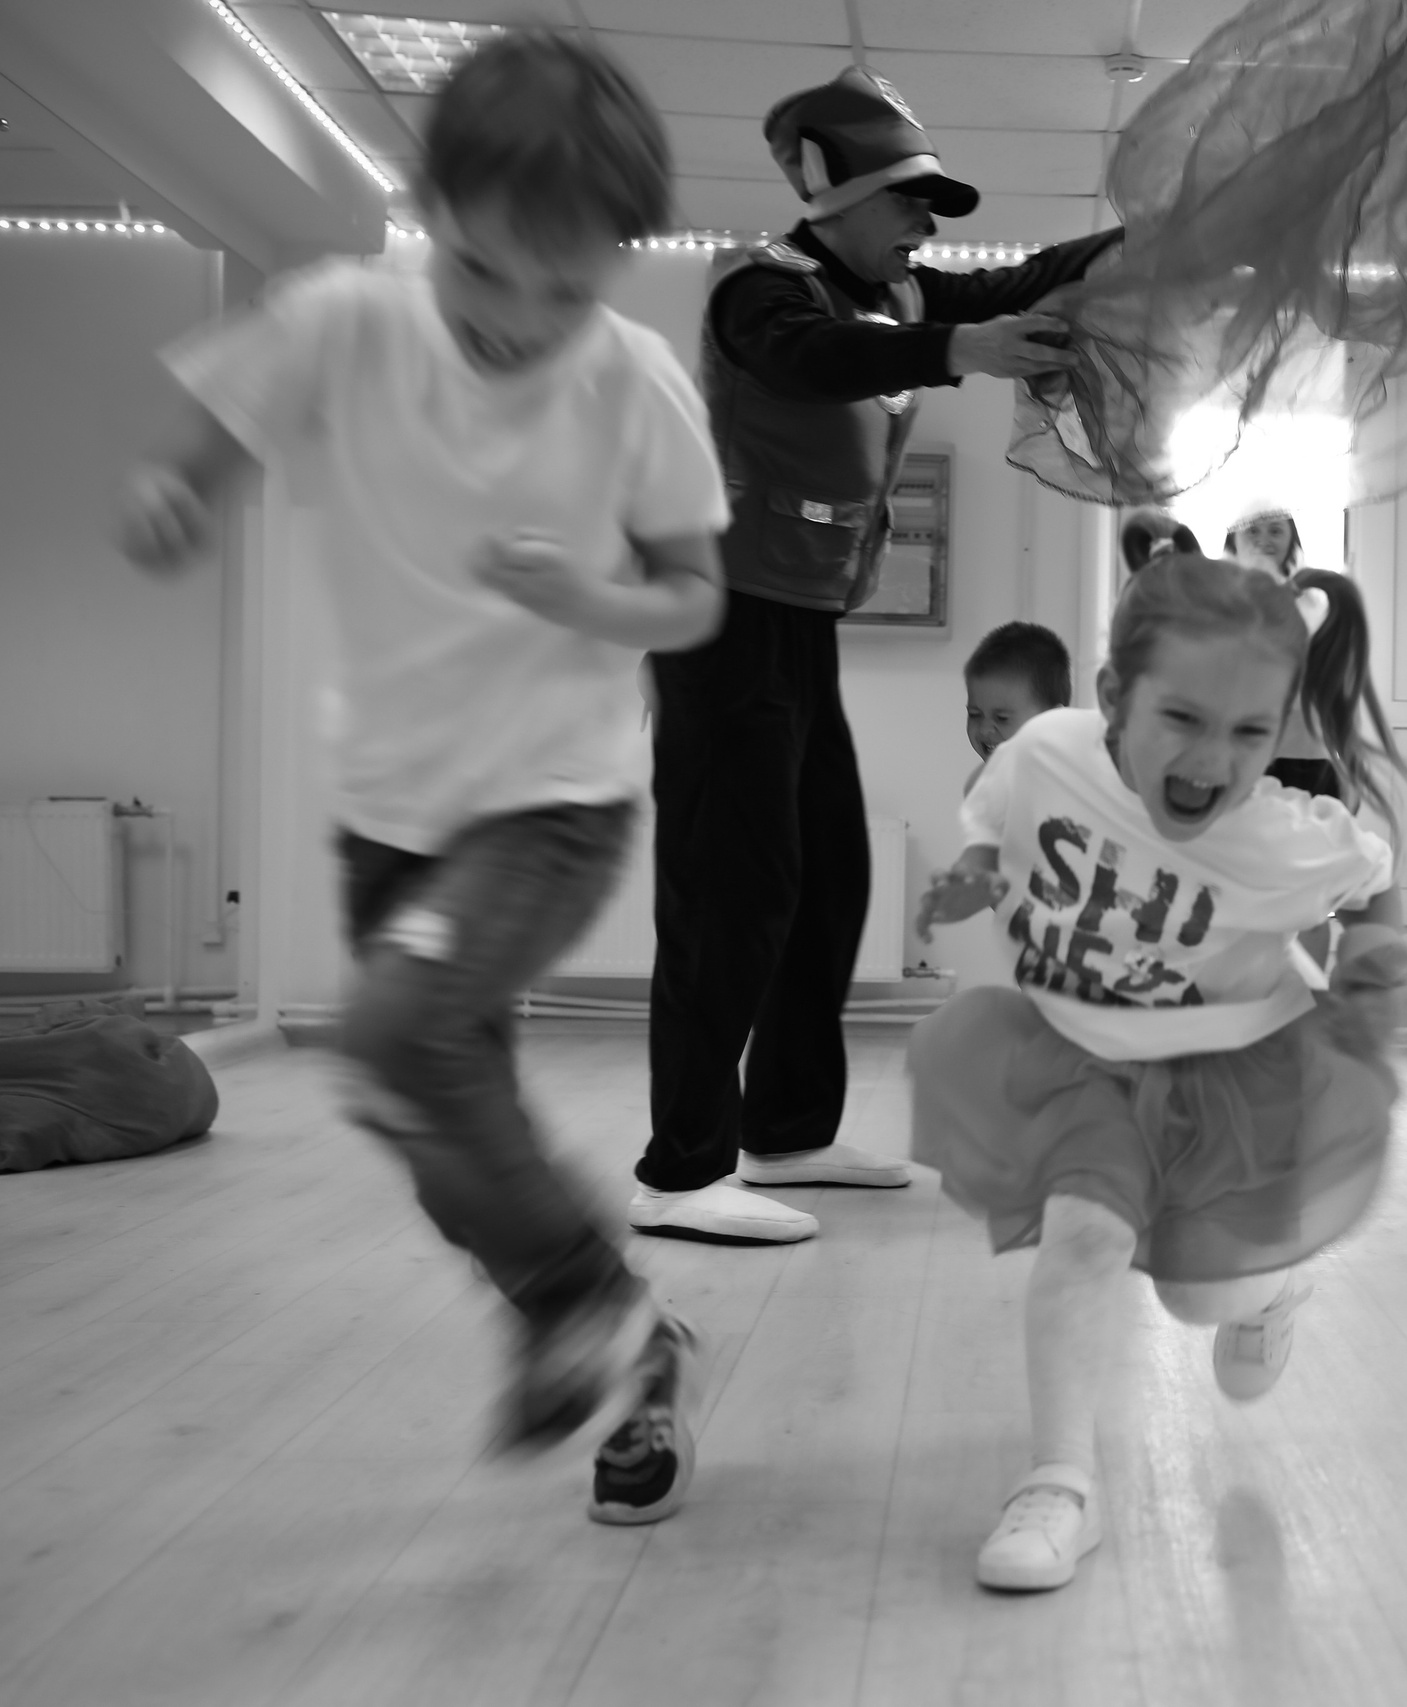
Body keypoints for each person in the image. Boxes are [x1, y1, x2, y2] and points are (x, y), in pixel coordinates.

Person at [115, 34, 722, 1502]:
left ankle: (585, 1303)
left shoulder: (632, 382)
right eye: (482, 271)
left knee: (390, 1037)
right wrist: (173, 496)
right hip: (392, 815)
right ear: (424, 208)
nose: (518, 320)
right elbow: (209, 442)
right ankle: (631, 1350)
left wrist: (590, 598)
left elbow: (695, 599)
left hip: (552, 804)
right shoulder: (340, 321)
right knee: (448, 1138)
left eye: (565, 291)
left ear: (620, 264)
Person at [637, 66, 1126, 1244]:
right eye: (909, 201)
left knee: (826, 879)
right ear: (838, 196)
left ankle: (787, 1130)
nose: (925, 226)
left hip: (796, 625)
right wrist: (961, 349)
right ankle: (680, 1172)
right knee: (730, 890)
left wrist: (1147, 237)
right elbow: (811, 360)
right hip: (721, 621)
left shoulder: (899, 294)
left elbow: (1016, 282)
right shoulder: (759, 287)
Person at [906, 554, 1407, 1592]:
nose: (1212, 759)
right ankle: (1059, 1483)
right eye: (1181, 718)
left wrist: (1369, 978)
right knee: (1084, 1237)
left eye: (1250, 732)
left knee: (1194, 1296)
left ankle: (1270, 1288)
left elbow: (1375, 875)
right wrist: (974, 875)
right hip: (1080, 1057)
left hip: (1220, 1073)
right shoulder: (1046, 750)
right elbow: (992, 814)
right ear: (1111, 697)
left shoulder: (1279, 839)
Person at [1226, 498, 1347, 800]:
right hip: (1238, 750)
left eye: (1275, 530)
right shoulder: (1216, 598)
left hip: (1305, 748)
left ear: (1292, 537)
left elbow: (1330, 680)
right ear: (1232, 537)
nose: (1264, 539)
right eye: (1252, 530)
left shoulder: (1313, 599)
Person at [964, 620, 1072, 771]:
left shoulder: (1065, 780)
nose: (984, 729)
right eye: (974, 714)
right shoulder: (984, 779)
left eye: (1002, 718)